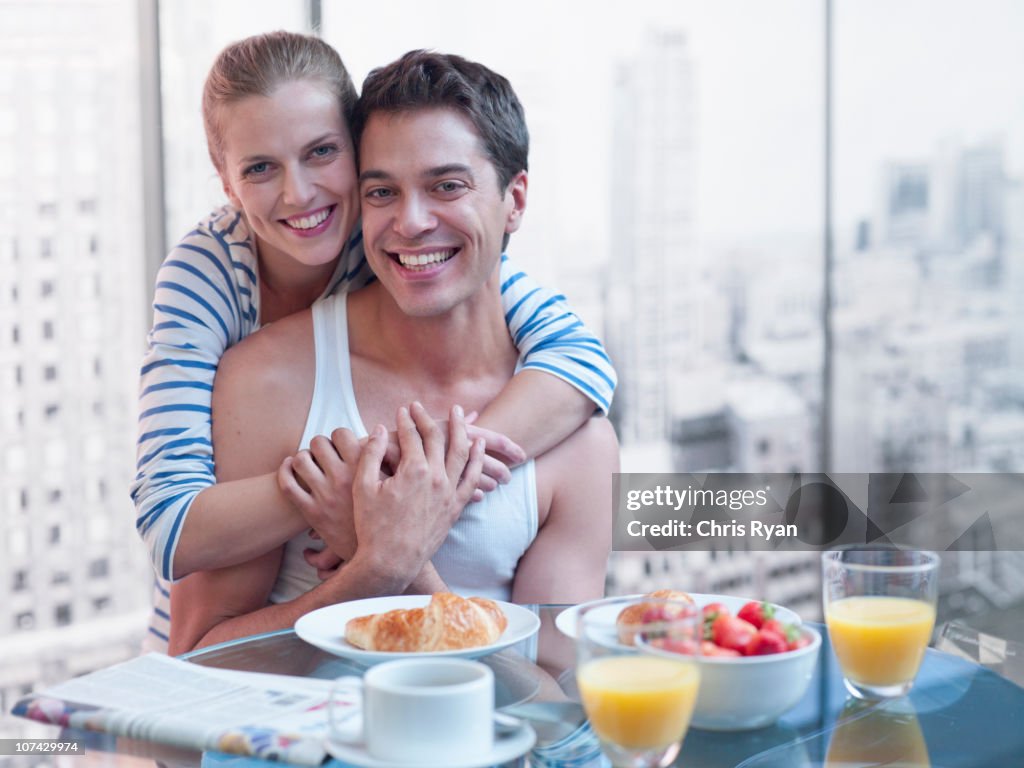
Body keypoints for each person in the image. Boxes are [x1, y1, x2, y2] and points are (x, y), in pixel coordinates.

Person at [131, 32, 617, 649]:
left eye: (322, 154)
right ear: (226, 185)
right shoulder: (213, 290)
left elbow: (582, 360)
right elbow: (171, 533)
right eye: (259, 168)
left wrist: (410, 515)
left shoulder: (408, 242)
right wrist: (360, 489)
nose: (299, 193)